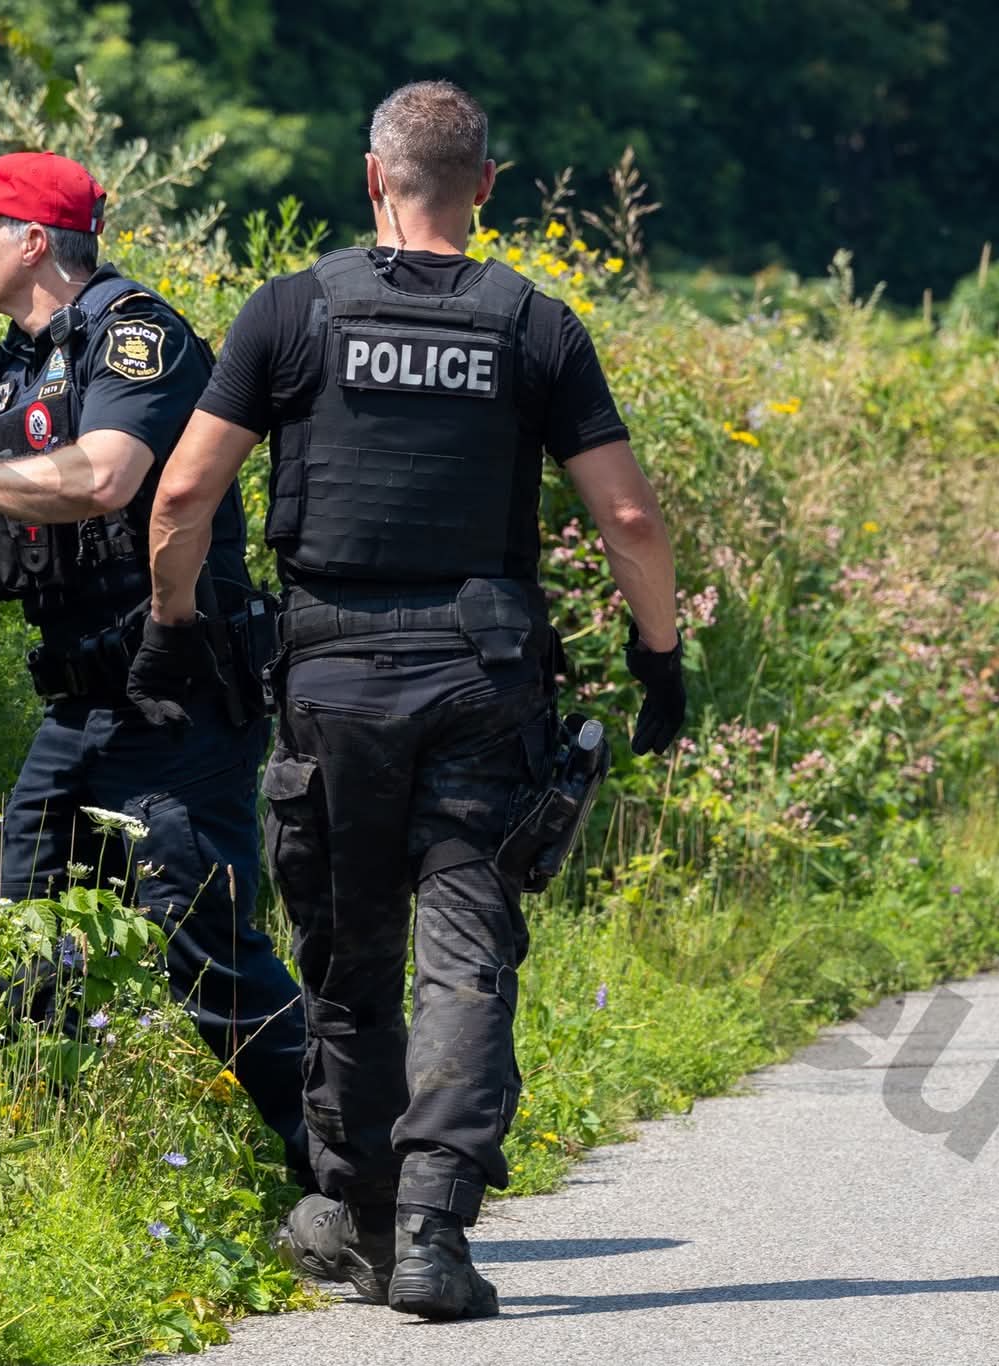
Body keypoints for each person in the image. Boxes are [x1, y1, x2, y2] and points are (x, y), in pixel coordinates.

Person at [131, 82, 688, 1320]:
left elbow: (180, 500)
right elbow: (631, 517)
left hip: (328, 678)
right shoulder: (535, 326)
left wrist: (173, 629)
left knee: (347, 960)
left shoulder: (289, 312)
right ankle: (433, 1232)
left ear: (370, 176)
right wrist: (658, 660)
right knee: (465, 952)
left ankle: (364, 1217)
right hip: (482, 682)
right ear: (485, 186)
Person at [0, 151, 311, 1191]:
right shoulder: (11, 360)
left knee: (203, 943)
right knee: (27, 936)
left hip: (175, 696)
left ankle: (349, 1165)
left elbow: (103, 476)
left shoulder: (139, 336)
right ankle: (38, 1170)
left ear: (32, 241)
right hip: (77, 705)